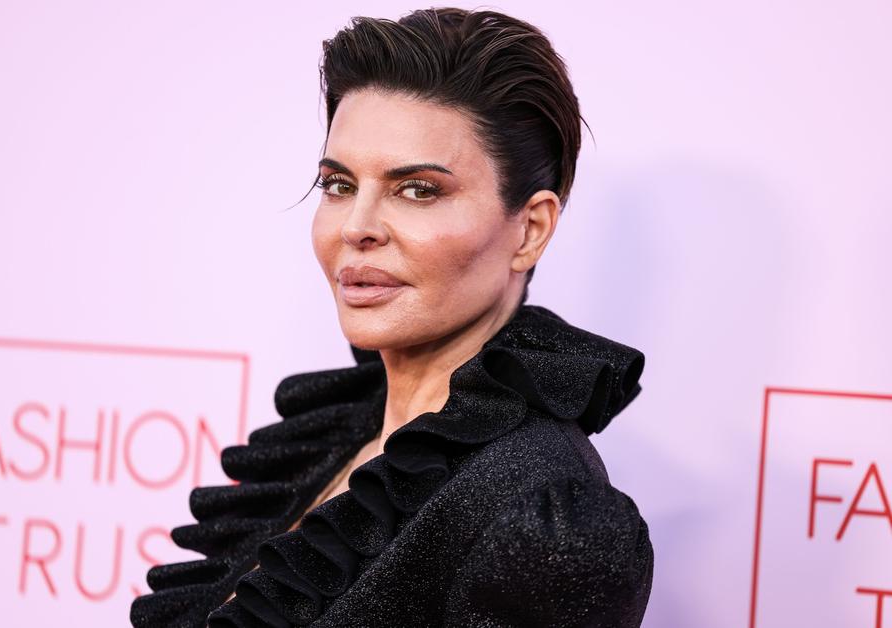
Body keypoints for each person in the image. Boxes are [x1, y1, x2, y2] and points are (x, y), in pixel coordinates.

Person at [130, 7, 653, 627]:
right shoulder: (344, 436)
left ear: (530, 230)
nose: (357, 227)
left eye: (418, 190)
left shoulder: (544, 521)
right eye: (339, 185)